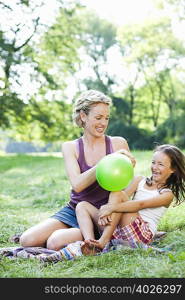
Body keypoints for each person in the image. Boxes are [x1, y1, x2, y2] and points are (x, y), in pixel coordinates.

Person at [19, 89, 135, 250]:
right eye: (98, 117)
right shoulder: (71, 147)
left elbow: (127, 187)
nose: (103, 123)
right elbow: (78, 185)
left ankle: (93, 236)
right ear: (83, 116)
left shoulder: (118, 143)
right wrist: (106, 162)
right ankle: (82, 233)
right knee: (27, 240)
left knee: (54, 242)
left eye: (106, 118)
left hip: (105, 215)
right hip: (76, 209)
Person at [77, 144, 185, 254]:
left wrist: (110, 208)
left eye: (160, 164)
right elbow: (120, 197)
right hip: (119, 228)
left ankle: (102, 241)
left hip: (141, 233)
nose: (155, 167)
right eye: (153, 162)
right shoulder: (139, 180)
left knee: (118, 196)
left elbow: (141, 204)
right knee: (82, 206)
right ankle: (91, 243)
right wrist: (107, 214)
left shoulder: (167, 194)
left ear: (173, 169)